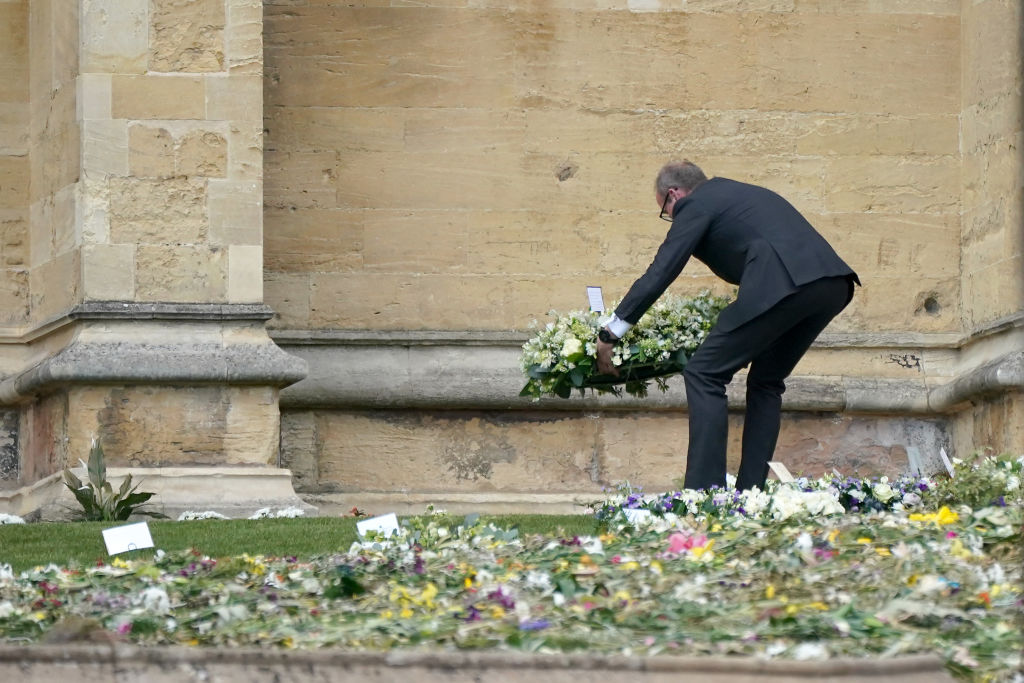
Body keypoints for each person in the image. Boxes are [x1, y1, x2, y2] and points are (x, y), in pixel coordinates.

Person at [595, 160, 859, 491]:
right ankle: (751, 494)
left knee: (703, 373)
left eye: (667, 211)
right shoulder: (734, 193)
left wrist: (612, 331)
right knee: (766, 381)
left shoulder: (696, 204)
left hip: (783, 284)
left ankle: (705, 495)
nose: (672, 219)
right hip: (831, 285)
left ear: (674, 194)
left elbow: (662, 269)